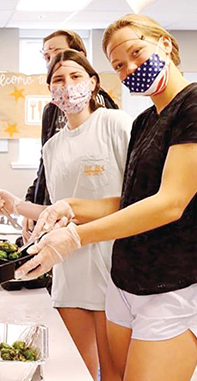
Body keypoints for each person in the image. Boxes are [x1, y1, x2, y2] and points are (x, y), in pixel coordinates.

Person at [19, 14, 197, 381]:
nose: (130, 68)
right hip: (126, 279)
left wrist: (75, 236)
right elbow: (131, 201)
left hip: (176, 282)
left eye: (136, 53)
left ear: (164, 43)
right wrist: (70, 206)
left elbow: (169, 204)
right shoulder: (146, 120)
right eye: (119, 64)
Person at [0, 50, 130, 381]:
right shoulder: (52, 148)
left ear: (94, 82)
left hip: (117, 261)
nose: (67, 87)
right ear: (50, 91)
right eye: (58, 80)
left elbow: (137, 198)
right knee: (74, 373)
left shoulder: (116, 124)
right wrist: (17, 206)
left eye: (75, 77)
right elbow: (59, 210)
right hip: (69, 264)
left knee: (115, 377)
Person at [23, 30, 119, 239]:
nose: (52, 60)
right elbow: (46, 165)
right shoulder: (52, 110)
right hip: (56, 212)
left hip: (98, 219)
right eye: (47, 57)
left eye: (57, 52)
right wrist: (32, 203)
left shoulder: (107, 115)